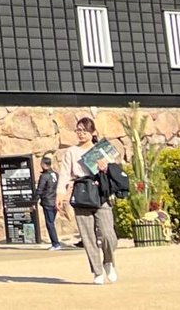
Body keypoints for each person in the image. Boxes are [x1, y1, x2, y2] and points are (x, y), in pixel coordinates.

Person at [58, 116, 118, 285]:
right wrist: (60, 195)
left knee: (108, 234)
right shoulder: (71, 152)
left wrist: (105, 167)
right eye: (78, 130)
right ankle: (97, 271)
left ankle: (108, 261)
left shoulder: (101, 150)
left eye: (85, 130)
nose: (81, 134)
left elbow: (114, 170)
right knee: (88, 236)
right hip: (82, 192)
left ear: (93, 132)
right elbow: (64, 174)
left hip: (101, 192)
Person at [34, 153, 62, 250]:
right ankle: (55, 243)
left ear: (43, 164)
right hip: (55, 200)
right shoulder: (56, 174)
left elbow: (40, 189)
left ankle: (56, 244)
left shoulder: (45, 176)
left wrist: (35, 201)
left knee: (49, 223)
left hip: (48, 201)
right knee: (51, 222)